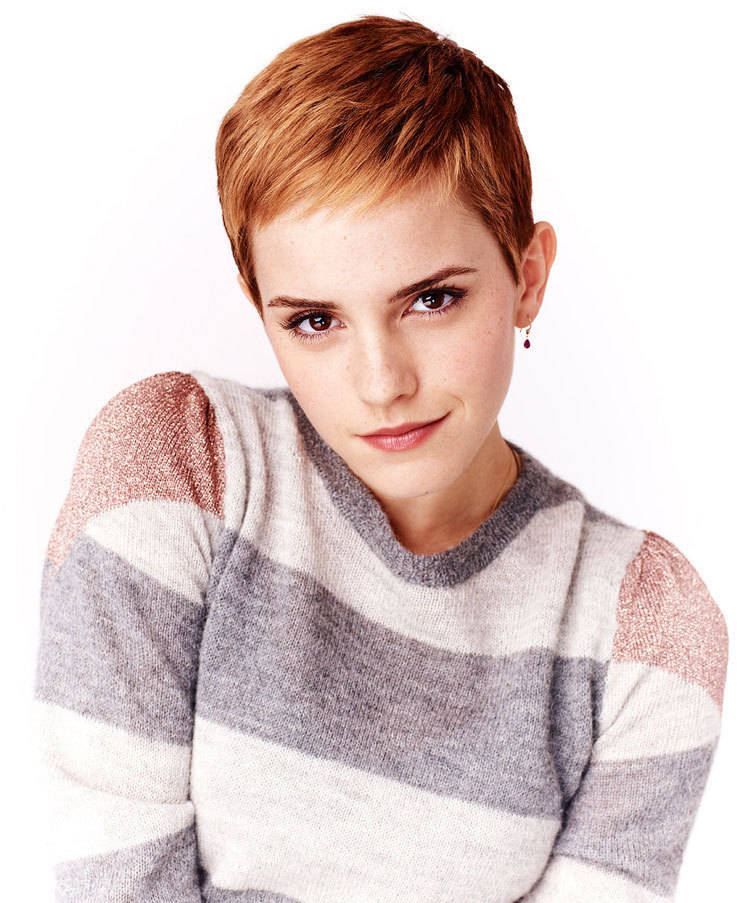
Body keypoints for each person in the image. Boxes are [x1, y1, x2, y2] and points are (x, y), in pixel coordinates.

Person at [33, 14, 728, 902]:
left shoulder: (645, 625)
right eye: (314, 320)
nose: (381, 382)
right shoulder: (180, 465)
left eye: (431, 299)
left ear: (529, 275)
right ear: (260, 305)